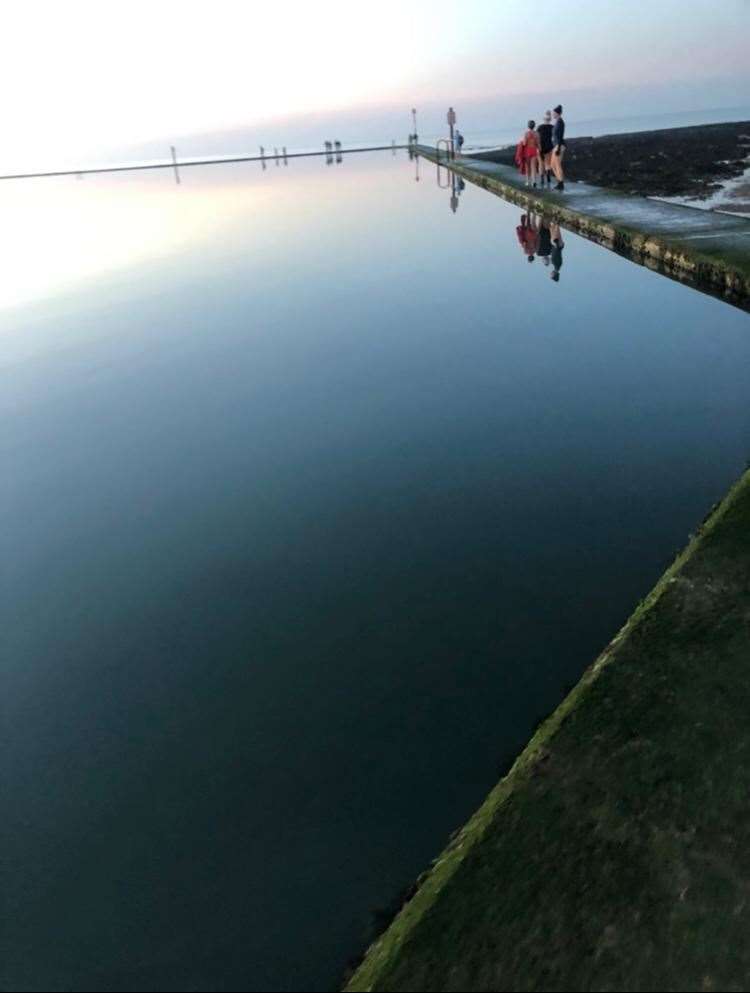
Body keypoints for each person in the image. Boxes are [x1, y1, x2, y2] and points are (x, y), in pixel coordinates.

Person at [520, 120, 541, 188]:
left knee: (527, 167)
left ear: (528, 126)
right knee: (533, 167)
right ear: (534, 126)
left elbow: (524, 143)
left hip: (527, 151)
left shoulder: (526, 133)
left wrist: (521, 142)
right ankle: (534, 181)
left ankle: (527, 181)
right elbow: (538, 144)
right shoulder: (537, 134)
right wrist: (540, 150)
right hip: (534, 150)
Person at [536, 111, 554, 188]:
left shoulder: (539, 127)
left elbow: (537, 138)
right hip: (549, 146)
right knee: (548, 163)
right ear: (550, 119)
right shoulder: (552, 127)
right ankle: (548, 179)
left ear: (543, 119)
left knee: (540, 164)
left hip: (540, 147)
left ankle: (542, 180)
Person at [550, 104, 566, 191]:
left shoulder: (560, 122)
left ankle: (561, 183)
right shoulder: (557, 122)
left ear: (557, 113)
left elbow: (560, 136)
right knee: (552, 165)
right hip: (556, 145)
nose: (553, 114)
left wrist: (558, 148)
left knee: (558, 165)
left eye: (554, 113)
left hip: (559, 146)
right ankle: (559, 181)